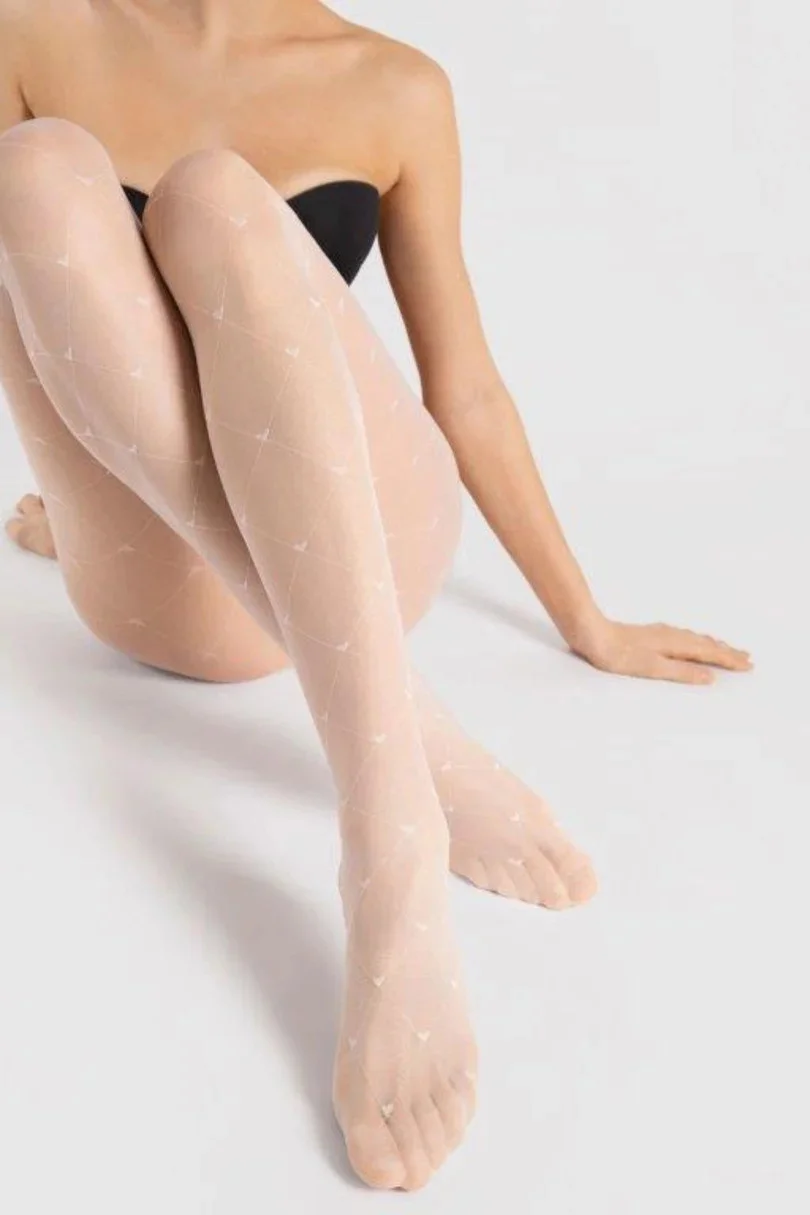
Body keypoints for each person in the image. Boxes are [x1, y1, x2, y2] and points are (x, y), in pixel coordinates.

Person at [0, 0, 752, 1193]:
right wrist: (81, 507)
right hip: (159, 587)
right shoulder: (26, 29)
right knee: (32, 171)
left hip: (366, 545)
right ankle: (416, 742)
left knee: (217, 198)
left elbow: (467, 392)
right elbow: (34, 323)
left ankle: (390, 862)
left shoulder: (394, 87)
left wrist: (586, 619)